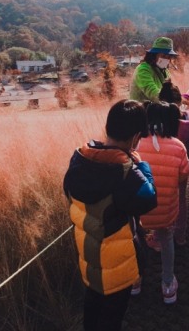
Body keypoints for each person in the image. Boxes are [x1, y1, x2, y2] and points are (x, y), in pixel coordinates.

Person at [63, 100, 158, 330]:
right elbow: (149, 199)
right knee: (112, 318)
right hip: (116, 265)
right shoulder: (126, 171)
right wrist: (142, 166)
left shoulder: (80, 158)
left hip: (88, 256)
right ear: (136, 137)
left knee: (92, 306)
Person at [135, 102, 189, 304]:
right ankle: (168, 284)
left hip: (139, 211)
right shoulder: (178, 146)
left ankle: (136, 280)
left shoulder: (136, 144)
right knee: (167, 241)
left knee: (137, 240)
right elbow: (184, 175)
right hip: (166, 209)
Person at [158, 82, 189, 245]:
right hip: (185, 166)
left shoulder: (163, 125)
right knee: (181, 199)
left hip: (165, 168)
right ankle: (180, 235)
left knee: (163, 200)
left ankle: (162, 235)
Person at [129, 37, 177, 103]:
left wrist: (179, 96)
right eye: (163, 56)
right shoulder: (143, 70)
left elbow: (169, 92)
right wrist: (175, 100)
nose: (166, 59)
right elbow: (153, 93)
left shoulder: (165, 71)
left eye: (168, 57)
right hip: (140, 111)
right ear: (154, 55)